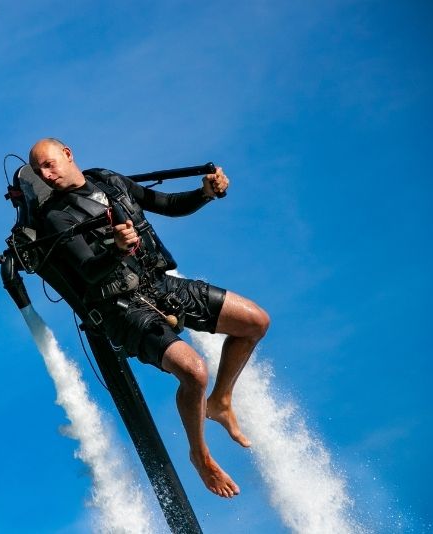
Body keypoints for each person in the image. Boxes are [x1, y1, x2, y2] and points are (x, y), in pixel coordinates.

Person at [29, 138, 270, 499]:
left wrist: (204, 192)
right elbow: (89, 271)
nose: (47, 175)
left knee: (255, 322)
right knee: (194, 371)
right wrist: (117, 249)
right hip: (122, 308)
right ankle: (200, 456)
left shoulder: (108, 179)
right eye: (39, 172)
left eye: (50, 164)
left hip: (159, 285)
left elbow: (167, 204)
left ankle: (220, 402)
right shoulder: (54, 217)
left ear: (68, 154)